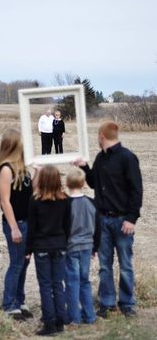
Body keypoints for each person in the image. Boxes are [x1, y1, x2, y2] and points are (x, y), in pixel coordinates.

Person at [76, 121, 143, 318]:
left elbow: (136, 191)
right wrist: (85, 168)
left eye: (98, 136)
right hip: (102, 220)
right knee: (105, 265)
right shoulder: (100, 158)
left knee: (125, 265)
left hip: (123, 221)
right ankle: (106, 303)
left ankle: (127, 303)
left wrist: (131, 218)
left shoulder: (127, 158)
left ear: (101, 137)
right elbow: (94, 183)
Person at [26, 164, 71, 336]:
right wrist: (65, 243)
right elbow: (67, 225)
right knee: (58, 285)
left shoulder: (35, 201)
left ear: (42, 180)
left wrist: (28, 249)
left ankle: (49, 323)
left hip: (42, 247)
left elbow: (32, 228)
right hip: (60, 246)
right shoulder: (64, 199)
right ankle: (60, 320)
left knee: (45, 286)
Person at [0, 128, 33, 320]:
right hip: (16, 223)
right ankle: (9, 304)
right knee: (17, 263)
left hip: (28, 222)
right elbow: (5, 201)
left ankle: (20, 300)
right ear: (14, 145)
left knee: (24, 263)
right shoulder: (6, 169)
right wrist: (14, 227)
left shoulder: (23, 167)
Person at [65, 166, 100, 325]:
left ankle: (74, 317)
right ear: (84, 183)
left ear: (66, 183)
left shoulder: (66, 205)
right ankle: (90, 315)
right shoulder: (91, 203)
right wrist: (95, 247)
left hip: (71, 247)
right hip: (87, 246)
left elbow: (64, 228)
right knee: (85, 280)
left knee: (72, 281)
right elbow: (97, 226)